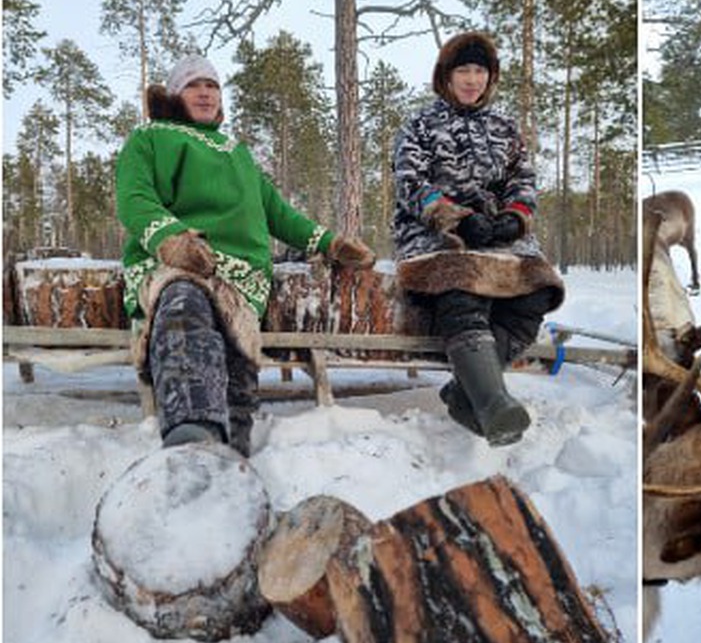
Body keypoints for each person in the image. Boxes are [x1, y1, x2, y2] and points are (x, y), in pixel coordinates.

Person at [116, 55, 376, 456]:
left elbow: (277, 213)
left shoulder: (236, 152)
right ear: (174, 95)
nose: (205, 92)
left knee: (238, 341)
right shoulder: (150, 137)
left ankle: (232, 453)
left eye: (212, 85)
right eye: (193, 85)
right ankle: (193, 432)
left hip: (240, 275)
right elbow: (135, 199)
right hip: (174, 261)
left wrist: (330, 243)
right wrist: (171, 241)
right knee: (185, 304)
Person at [393, 31, 564, 447]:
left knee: (537, 290)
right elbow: (409, 182)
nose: (472, 79)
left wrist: (513, 219)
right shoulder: (420, 123)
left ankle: (462, 392)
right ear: (446, 77)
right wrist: (454, 218)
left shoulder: (505, 127)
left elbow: (523, 180)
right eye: (463, 71)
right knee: (462, 289)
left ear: (490, 77)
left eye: (479, 71)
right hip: (436, 233)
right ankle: (492, 403)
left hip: (498, 235)